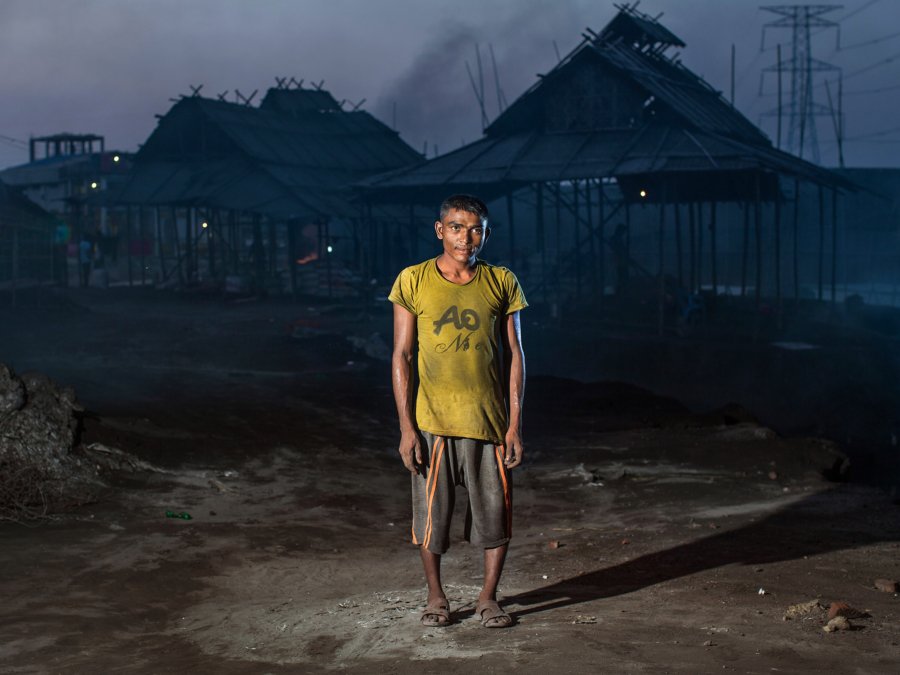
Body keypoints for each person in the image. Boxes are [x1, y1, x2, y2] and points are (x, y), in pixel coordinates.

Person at [389, 194, 527, 629]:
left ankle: (488, 599)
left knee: (495, 515)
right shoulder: (413, 280)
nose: (465, 237)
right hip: (432, 423)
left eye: (475, 229)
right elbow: (402, 356)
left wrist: (514, 426)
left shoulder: (502, 281)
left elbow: (516, 356)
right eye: (456, 226)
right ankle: (436, 598)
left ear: (486, 233)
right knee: (431, 519)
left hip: (488, 424)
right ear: (439, 229)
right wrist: (406, 428)